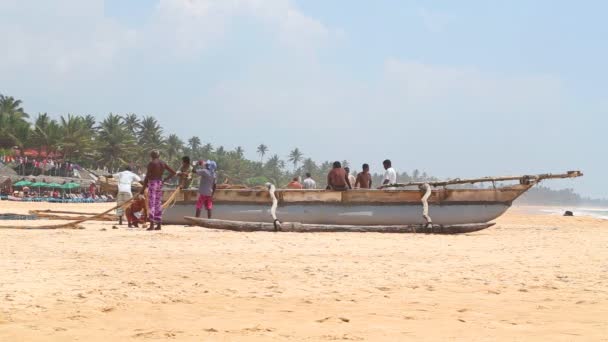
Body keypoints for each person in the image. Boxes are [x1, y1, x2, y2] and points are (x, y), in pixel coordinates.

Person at [141, 150, 177, 230]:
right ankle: (159, 224)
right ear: (159, 156)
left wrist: (143, 188)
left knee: (151, 203)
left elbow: (147, 176)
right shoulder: (162, 163)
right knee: (158, 203)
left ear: (151, 156)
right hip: (159, 183)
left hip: (153, 183)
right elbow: (173, 172)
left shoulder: (151, 163)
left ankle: (152, 224)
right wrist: (165, 179)